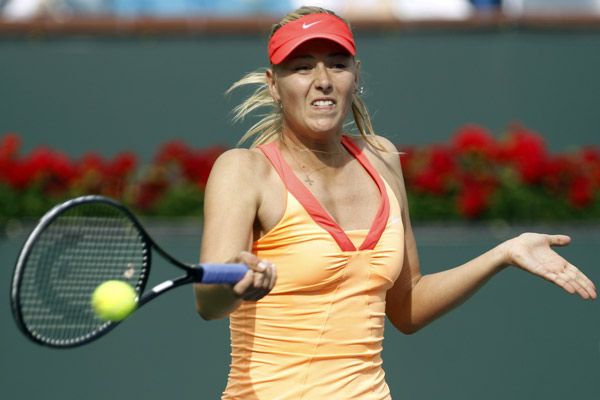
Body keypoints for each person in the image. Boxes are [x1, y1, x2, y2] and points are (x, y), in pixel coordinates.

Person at [193, 6, 596, 400]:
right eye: (301, 67)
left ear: (355, 75)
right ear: (273, 84)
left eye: (336, 64)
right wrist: (237, 285)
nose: (322, 80)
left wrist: (502, 254)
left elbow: (407, 306)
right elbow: (208, 304)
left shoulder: (382, 158)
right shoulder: (243, 170)